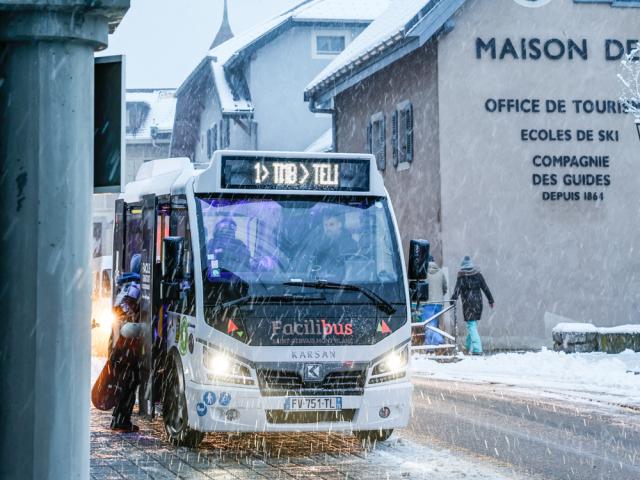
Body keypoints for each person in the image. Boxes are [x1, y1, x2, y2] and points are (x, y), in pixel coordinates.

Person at [110, 253, 142, 432]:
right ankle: (121, 420)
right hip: (128, 344)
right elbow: (123, 309)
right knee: (129, 381)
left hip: (123, 343)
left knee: (127, 381)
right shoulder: (135, 286)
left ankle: (119, 418)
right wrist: (135, 318)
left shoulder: (126, 284)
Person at [450, 255, 494, 355]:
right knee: (472, 324)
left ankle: (477, 349)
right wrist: (490, 300)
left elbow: (457, 290)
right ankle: (467, 347)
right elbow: (485, 288)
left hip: (468, 304)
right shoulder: (478, 275)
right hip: (478, 303)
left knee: (471, 325)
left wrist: (453, 299)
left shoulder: (461, 277)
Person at [310, 210, 358, 279]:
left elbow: (352, 270)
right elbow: (314, 266)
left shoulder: (351, 245)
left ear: (339, 224)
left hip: (344, 285)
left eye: (331, 224)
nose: (328, 228)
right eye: (325, 225)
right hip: (321, 285)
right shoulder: (319, 245)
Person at [424, 255, 448, 345]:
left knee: (429, 325)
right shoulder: (441, 272)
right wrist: (441, 295)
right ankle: (430, 346)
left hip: (427, 303)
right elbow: (445, 287)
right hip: (439, 304)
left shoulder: (424, 273)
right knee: (434, 324)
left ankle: (439, 340)